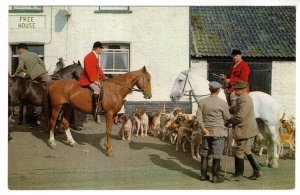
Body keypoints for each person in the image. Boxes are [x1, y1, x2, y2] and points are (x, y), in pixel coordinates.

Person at [196, 81, 231, 183]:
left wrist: (203, 128)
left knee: (205, 152)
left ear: (209, 90)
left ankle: (203, 175)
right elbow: (227, 117)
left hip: (206, 131)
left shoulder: (202, 102)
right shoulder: (222, 103)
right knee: (217, 153)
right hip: (218, 132)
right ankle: (215, 177)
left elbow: (199, 117)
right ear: (219, 90)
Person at [228, 80, 262, 181]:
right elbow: (235, 109)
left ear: (243, 90)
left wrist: (230, 120)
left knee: (239, 151)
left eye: (237, 89)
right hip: (248, 129)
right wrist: (227, 109)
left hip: (245, 130)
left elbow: (240, 116)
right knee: (246, 150)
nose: (234, 90)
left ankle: (238, 174)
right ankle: (257, 170)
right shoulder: (241, 98)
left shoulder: (245, 99)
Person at [13, 43, 52, 127]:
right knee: (52, 86)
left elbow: (20, 67)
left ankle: (33, 116)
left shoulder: (22, 56)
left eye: (18, 50)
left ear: (21, 49)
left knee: (31, 91)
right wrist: (44, 71)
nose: (18, 52)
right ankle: (50, 100)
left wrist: (14, 75)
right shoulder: (34, 54)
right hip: (42, 73)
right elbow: (41, 63)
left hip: (32, 76)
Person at [79, 41, 108, 122]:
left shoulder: (95, 56)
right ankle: (95, 111)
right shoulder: (88, 57)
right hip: (87, 79)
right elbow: (88, 70)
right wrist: (94, 80)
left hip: (94, 78)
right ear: (97, 48)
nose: (102, 50)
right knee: (97, 89)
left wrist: (103, 76)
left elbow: (97, 68)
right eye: (101, 49)